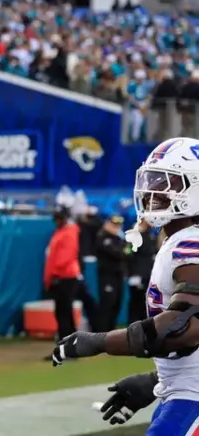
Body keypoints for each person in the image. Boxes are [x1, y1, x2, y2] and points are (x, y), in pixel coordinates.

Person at [50, 137, 199, 435]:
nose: (152, 191)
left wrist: (99, 341)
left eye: (167, 182)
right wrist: (157, 381)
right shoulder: (180, 240)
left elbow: (185, 325)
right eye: (152, 180)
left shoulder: (190, 242)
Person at [43, 207, 81, 353]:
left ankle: (69, 349)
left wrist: (52, 274)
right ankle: (66, 348)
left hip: (65, 278)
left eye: (60, 218)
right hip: (60, 277)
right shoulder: (60, 233)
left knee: (65, 314)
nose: (57, 221)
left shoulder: (69, 233)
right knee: (62, 313)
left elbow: (64, 258)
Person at [95, 214, 127, 332]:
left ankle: (110, 330)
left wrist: (125, 250)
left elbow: (128, 252)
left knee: (117, 303)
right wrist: (124, 250)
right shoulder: (103, 237)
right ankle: (101, 332)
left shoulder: (119, 239)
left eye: (118, 225)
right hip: (107, 276)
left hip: (118, 275)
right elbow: (118, 253)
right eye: (114, 225)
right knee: (108, 302)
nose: (116, 227)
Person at [127, 219, 158, 324]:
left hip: (148, 274)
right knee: (136, 302)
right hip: (138, 275)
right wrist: (133, 274)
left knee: (146, 302)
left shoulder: (150, 235)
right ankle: (133, 326)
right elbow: (130, 255)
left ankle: (143, 326)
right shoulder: (135, 235)